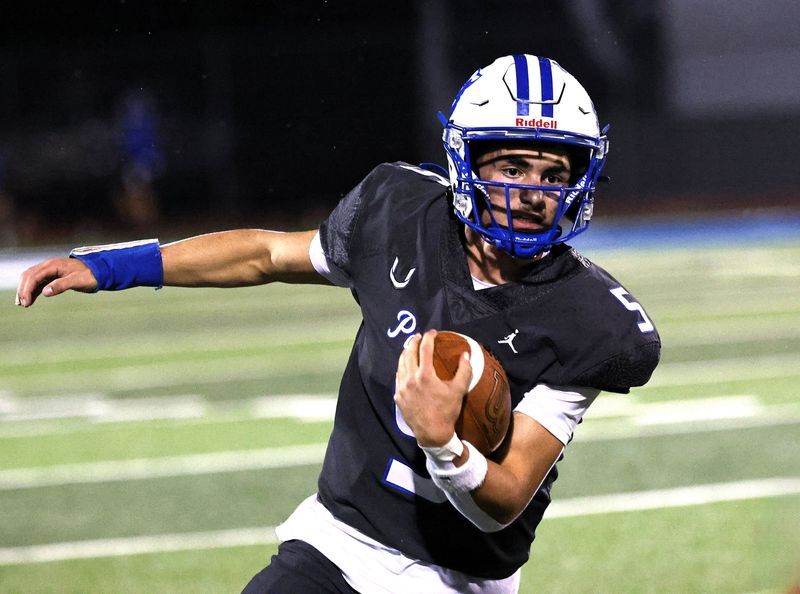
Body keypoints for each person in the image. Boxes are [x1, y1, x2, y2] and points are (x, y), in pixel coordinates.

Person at [15, 55, 661, 593]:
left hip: (461, 580)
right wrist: (114, 265)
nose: (533, 192)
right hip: (340, 542)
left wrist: (445, 445)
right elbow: (265, 254)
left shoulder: (593, 320)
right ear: (470, 160)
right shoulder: (398, 211)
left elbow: (506, 500)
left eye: (554, 174)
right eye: (513, 167)